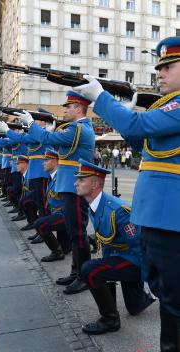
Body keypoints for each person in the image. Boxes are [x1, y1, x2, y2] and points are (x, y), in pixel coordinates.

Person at [73, 36, 180, 351]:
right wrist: (123, 115)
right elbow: (146, 145)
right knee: (166, 294)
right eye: (158, 67)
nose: (159, 73)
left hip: (171, 219)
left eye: (169, 67)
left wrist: (101, 99)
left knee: (174, 301)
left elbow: (137, 124)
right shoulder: (167, 109)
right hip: (156, 217)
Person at [1, 91, 95, 294]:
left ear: (78, 109)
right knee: (73, 231)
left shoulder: (79, 129)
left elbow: (46, 137)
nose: (64, 110)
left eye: (67, 107)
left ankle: (84, 276)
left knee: (78, 233)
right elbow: (50, 140)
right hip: (70, 185)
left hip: (75, 187)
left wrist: (31, 123)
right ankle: (76, 272)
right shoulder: (74, 128)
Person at [74, 159, 155, 335]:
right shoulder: (94, 204)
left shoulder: (117, 211)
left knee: (90, 270)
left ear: (95, 184)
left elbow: (140, 246)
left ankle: (110, 320)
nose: (76, 183)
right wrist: (107, 264)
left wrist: (151, 277)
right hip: (122, 257)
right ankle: (143, 298)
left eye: (81, 180)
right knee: (135, 308)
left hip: (133, 259)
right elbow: (107, 240)